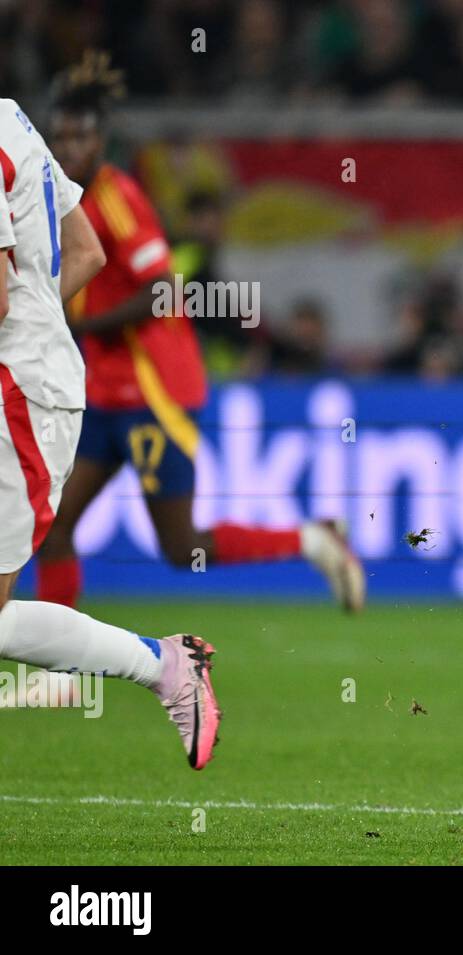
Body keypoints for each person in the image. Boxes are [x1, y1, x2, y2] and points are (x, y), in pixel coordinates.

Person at [36, 54, 364, 613]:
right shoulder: (68, 198)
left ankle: (313, 540)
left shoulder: (118, 201)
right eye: (60, 137)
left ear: (102, 140)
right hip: (107, 391)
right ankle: (64, 672)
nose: (69, 149)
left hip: (153, 391)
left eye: (81, 137)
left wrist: (75, 322)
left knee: (180, 545)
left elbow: (160, 289)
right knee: (53, 526)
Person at [0, 96, 219, 769]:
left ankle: (162, 665)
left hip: (19, 393)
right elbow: (86, 252)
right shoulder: (13, 119)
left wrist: (30, 330)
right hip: (33, 372)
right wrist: (43, 322)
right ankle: (162, 664)